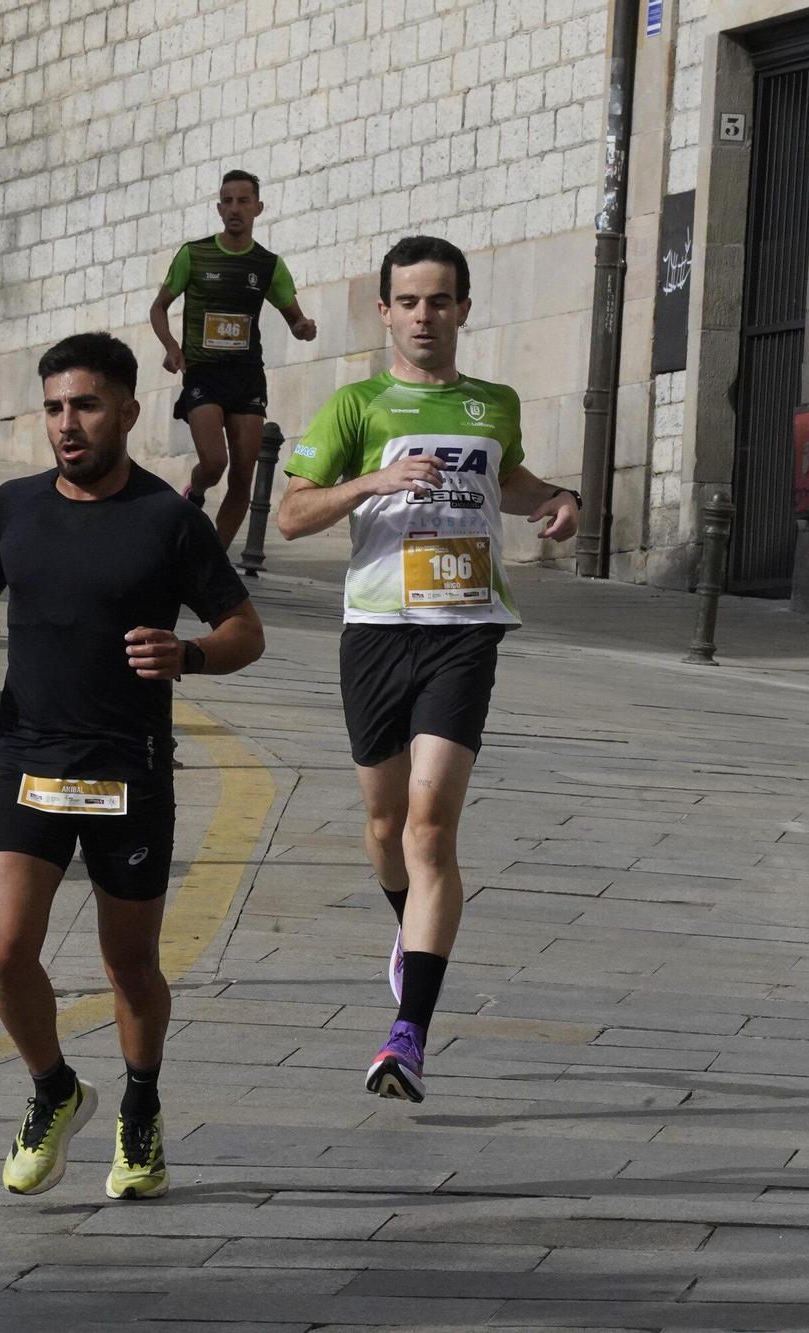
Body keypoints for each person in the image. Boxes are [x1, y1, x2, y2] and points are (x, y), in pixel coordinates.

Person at [0, 332, 265, 1198]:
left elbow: (244, 630)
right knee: (4, 954)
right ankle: (55, 1089)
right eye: (52, 408)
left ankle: (140, 1106)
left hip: (128, 767)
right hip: (28, 757)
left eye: (84, 405)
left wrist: (189, 655)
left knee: (130, 965)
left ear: (127, 411)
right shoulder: (15, 507)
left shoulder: (168, 521)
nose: (66, 424)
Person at [276, 235, 579, 1103]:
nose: (423, 316)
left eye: (439, 301)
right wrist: (372, 482)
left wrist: (556, 499)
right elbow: (292, 514)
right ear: (384, 312)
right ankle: (409, 929)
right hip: (377, 630)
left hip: (465, 629)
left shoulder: (493, 403)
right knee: (383, 828)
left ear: (463, 310)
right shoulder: (357, 405)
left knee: (430, 827)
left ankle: (407, 1036)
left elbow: (504, 480)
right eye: (407, 302)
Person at [149, 170, 316, 550]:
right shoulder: (194, 254)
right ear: (219, 208)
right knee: (214, 463)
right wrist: (171, 347)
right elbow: (159, 307)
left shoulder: (268, 265)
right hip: (203, 374)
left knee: (243, 474)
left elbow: (294, 318)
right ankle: (195, 491)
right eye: (228, 201)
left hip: (246, 378)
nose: (235, 208)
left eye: (243, 201)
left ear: (258, 208)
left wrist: (303, 327)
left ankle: (214, 558)